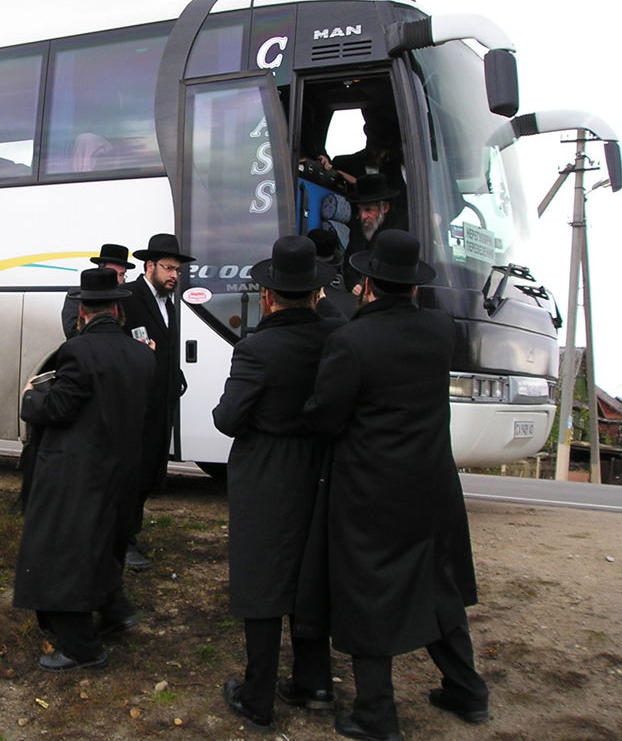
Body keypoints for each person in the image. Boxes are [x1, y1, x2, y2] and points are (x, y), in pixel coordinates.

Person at [304, 230, 489, 741]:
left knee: (369, 593)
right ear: (412, 286)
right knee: (439, 585)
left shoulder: (351, 340)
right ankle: (467, 691)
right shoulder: (439, 330)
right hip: (432, 483)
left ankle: (376, 714)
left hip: (371, 488)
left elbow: (328, 416)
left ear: (365, 282)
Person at [213, 236, 340, 729]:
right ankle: (316, 682)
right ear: (315, 294)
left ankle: (258, 695)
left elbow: (227, 418)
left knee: (263, 581)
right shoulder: (337, 339)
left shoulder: (257, 349)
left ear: (267, 297)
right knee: (311, 574)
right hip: (320, 468)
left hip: (267, 471)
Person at [14, 267, 155, 671]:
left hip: (78, 470)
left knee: (64, 553)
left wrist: (30, 398)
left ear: (81, 311)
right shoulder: (140, 354)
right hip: (123, 467)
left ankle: (81, 647)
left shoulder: (78, 350)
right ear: (118, 309)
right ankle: (115, 609)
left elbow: (60, 408)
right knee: (102, 544)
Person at [118, 232, 193, 570]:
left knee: (149, 472)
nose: (174, 275)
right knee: (130, 474)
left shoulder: (169, 304)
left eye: (177, 269)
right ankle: (120, 541)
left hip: (160, 404)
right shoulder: (130, 297)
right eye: (168, 268)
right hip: (135, 405)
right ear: (149, 266)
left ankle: (130, 531)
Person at [60, 243, 133, 338]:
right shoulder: (77, 296)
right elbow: (72, 332)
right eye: (113, 274)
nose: (118, 280)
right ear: (101, 270)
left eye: (121, 275)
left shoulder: (127, 296)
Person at [341, 174, 400, 292]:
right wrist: (353, 284)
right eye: (360, 209)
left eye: (368, 210)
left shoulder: (398, 230)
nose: (362, 216)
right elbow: (349, 262)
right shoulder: (357, 225)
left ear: (385, 208)